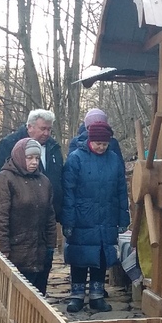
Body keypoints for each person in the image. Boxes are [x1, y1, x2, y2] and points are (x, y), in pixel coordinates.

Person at [62, 120, 129, 313]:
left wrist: (123, 218)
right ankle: (76, 295)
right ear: (90, 140)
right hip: (82, 216)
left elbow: (121, 190)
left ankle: (97, 295)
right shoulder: (76, 158)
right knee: (80, 256)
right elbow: (69, 192)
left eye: (104, 144)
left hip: (106, 216)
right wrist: (68, 219)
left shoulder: (114, 159)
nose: (101, 147)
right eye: (97, 143)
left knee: (101, 255)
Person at [0, 137, 57, 295]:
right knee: (16, 297)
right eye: (29, 158)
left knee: (39, 296)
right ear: (20, 156)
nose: (34, 162)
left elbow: (50, 217)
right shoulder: (4, 180)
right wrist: (3, 249)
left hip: (40, 250)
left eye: (37, 158)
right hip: (16, 250)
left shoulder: (44, 181)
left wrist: (50, 246)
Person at [0, 110, 64, 219]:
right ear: (30, 127)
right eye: (43, 129)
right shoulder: (9, 145)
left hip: (48, 213)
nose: (47, 133)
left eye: (49, 129)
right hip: (19, 215)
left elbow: (59, 178)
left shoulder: (54, 147)